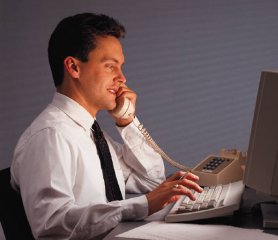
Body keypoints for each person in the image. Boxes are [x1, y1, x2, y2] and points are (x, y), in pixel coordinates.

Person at [10, 12, 202, 239]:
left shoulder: (92, 134)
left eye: (121, 67)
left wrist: (127, 120)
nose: (122, 78)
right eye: (111, 66)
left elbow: (150, 180)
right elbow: (52, 225)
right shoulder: (50, 135)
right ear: (74, 67)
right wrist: (142, 204)